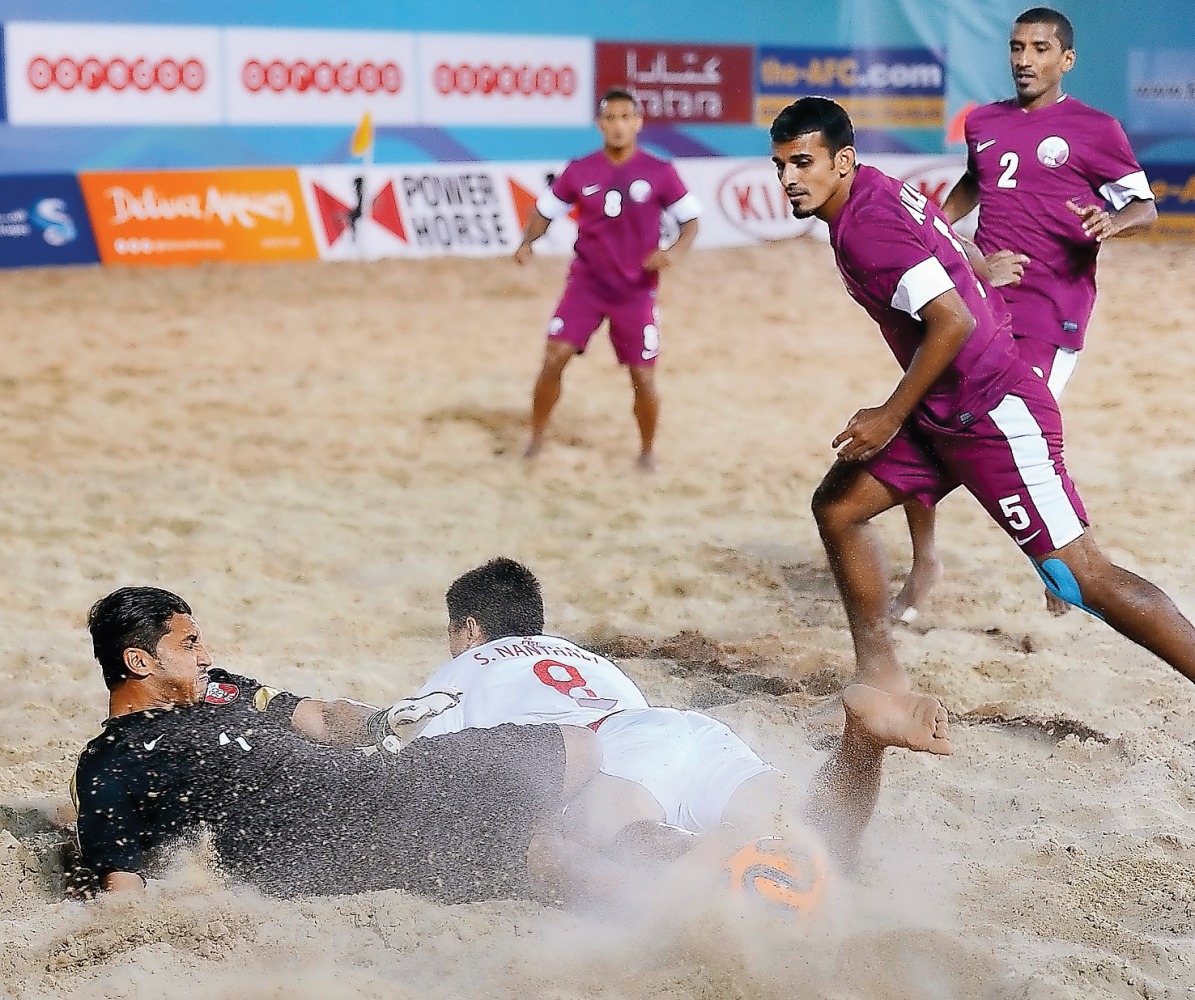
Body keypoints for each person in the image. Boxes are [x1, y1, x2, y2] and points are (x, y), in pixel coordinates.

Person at [768, 96, 1195, 696]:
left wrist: (890, 414)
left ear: (842, 161)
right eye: (781, 164)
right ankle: (879, 675)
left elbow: (952, 322)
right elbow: (942, 233)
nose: (788, 179)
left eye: (802, 163)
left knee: (1083, 581)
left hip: (994, 411)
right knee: (838, 507)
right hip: (943, 409)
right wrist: (976, 266)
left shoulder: (865, 227)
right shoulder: (875, 189)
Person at [409, 557, 953, 876]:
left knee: (626, 837)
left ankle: (712, 853)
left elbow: (423, 762)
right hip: (679, 728)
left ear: (471, 630)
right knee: (817, 832)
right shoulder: (582, 656)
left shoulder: (465, 667)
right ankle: (861, 744)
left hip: (611, 751)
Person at [71, 586, 610, 905]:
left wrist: (384, 722)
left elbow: (323, 719)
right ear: (140, 662)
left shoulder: (217, 688)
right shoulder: (115, 758)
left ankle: (618, 847)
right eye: (189, 645)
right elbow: (121, 887)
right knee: (540, 852)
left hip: (374, 777)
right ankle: (653, 904)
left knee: (576, 746)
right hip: (329, 838)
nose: (206, 655)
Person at [894, 6, 1157, 622]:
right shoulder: (983, 121)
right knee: (927, 421)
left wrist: (1111, 223)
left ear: (1066, 59)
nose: (1023, 59)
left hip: (1053, 314)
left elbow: (1142, 207)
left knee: (1022, 439)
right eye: (1017, 47)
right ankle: (925, 560)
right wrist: (955, 242)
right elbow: (971, 189)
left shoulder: (1096, 129)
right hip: (982, 305)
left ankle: (1063, 563)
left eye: (1039, 48)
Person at [514, 88, 701, 471]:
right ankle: (535, 439)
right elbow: (546, 210)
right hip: (585, 286)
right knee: (554, 358)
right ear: (600, 125)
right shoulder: (580, 170)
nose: (618, 126)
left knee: (643, 377)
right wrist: (527, 242)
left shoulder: (660, 172)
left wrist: (674, 253)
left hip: (635, 292)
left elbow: (691, 222)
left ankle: (647, 453)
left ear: (637, 123)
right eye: (610, 119)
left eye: (625, 118)